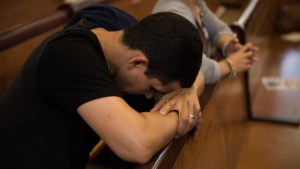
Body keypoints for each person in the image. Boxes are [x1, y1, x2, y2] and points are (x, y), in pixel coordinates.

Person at [0, 5, 203, 168]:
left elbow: (198, 72)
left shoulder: (125, 30)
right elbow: (138, 145)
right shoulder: (69, 56)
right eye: (154, 88)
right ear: (137, 63)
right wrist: (181, 115)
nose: (150, 96)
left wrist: (189, 92)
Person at [150, 0, 260, 139]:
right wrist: (228, 66)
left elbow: (219, 29)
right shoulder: (172, 10)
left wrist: (227, 44)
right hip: (170, 107)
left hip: (191, 99)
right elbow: (192, 62)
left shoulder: (196, 4)